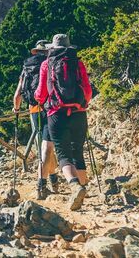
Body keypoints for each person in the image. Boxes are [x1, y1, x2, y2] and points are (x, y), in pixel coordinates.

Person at [34, 33, 93, 211]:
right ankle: (82, 193)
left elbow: (40, 93)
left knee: (63, 154)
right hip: (79, 113)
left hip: (56, 114)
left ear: (52, 48)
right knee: (78, 152)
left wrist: (40, 101)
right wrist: (81, 104)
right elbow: (88, 91)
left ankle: (75, 186)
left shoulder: (47, 64)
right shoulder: (78, 63)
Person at [13, 40, 58, 200]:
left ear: (36, 51)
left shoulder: (27, 67)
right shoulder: (52, 63)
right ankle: (49, 181)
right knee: (48, 146)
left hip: (34, 110)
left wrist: (16, 109)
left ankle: (50, 181)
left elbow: (18, 94)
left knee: (43, 147)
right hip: (51, 108)